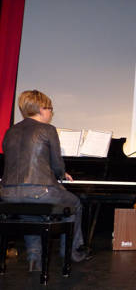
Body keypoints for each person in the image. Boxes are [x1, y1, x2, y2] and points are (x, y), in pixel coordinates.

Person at [0, 90, 89, 271]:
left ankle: (34, 258)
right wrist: (63, 174)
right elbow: (57, 165)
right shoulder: (48, 130)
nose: (51, 113)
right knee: (75, 203)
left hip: (7, 194)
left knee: (29, 210)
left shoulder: (10, 131)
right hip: (39, 191)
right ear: (41, 109)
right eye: (50, 109)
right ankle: (72, 252)